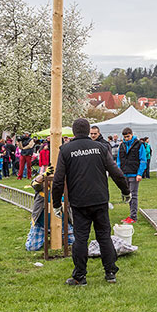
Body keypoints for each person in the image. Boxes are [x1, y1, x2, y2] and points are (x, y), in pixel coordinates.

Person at [53, 118, 130, 286]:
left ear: (73, 132)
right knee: (104, 236)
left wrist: (56, 203)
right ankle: (110, 272)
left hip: (79, 201)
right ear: (89, 131)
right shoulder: (101, 148)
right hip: (100, 199)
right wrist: (126, 191)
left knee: (81, 238)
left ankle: (80, 276)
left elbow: (58, 180)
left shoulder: (66, 150)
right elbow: (116, 172)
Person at [116, 127, 147, 222]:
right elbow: (118, 160)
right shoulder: (122, 146)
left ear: (132, 134)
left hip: (134, 174)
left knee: (133, 195)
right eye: (125, 137)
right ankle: (131, 215)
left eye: (128, 136)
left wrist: (139, 174)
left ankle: (133, 217)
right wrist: (119, 172)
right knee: (128, 195)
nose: (126, 138)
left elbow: (143, 160)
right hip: (124, 174)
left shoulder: (139, 144)